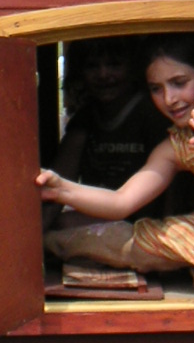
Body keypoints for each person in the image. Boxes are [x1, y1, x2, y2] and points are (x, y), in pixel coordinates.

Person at [37, 33, 194, 278]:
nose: (169, 99)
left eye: (179, 83)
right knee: (135, 240)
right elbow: (122, 201)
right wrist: (60, 189)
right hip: (193, 235)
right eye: (156, 89)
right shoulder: (175, 146)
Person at [45, 37, 170, 228]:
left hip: (146, 218)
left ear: (134, 68)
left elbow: (172, 190)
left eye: (114, 65)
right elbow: (60, 179)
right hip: (100, 211)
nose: (103, 74)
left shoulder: (150, 114)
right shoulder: (85, 118)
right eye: (92, 66)